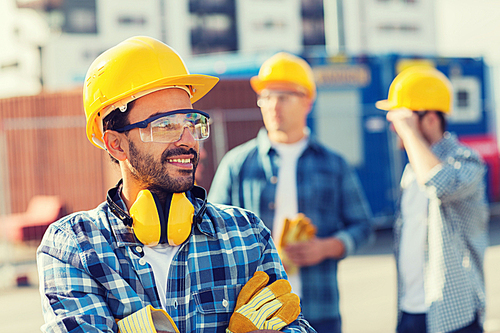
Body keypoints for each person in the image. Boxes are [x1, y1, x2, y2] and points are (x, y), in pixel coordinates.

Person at [36, 36, 316, 333]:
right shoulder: (74, 247)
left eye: (192, 122)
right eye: (165, 126)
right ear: (116, 145)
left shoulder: (246, 234)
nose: (188, 140)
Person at [208, 52, 373, 333]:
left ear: (308, 101)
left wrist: (327, 247)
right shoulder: (237, 164)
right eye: (267, 96)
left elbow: (363, 226)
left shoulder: (333, 164)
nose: (273, 105)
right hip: (255, 311)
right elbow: (209, 234)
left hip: (319, 308)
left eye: (283, 96)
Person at [376, 66, 489, 333]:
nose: (395, 128)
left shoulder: (466, 160)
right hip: (410, 310)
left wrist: (410, 133)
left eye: (401, 119)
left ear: (429, 120)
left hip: (453, 314)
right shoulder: (412, 170)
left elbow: (441, 185)